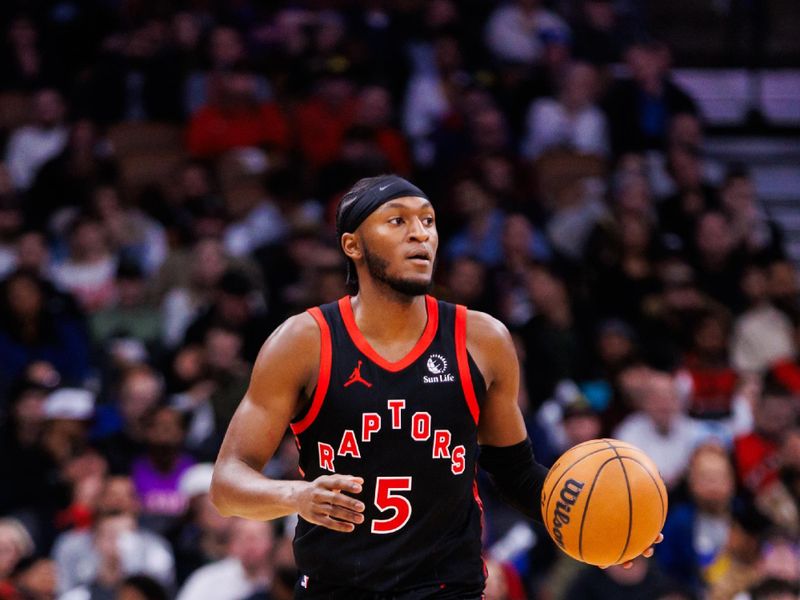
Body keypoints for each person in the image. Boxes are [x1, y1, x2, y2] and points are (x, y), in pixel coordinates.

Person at [210, 175, 661, 598]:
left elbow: (516, 474)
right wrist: (297, 496)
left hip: (448, 587)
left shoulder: (482, 339)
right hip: (337, 586)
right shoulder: (304, 342)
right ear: (353, 245)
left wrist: (608, 516)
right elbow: (227, 484)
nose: (420, 233)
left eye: (428, 220)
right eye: (397, 220)